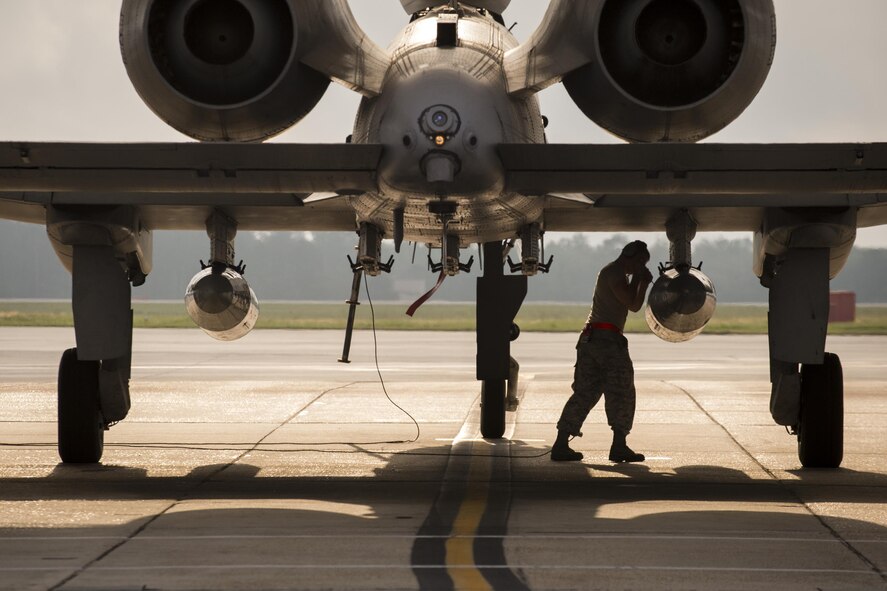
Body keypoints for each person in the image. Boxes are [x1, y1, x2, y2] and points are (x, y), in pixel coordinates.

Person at [552, 241, 654, 463]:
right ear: (630, 257)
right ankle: (619, 446)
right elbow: (633, 304)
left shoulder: (613, 273)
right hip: (605, 340)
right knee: (622, 391)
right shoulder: (614, 273)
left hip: (592, 339)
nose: (641, 267)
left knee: (585, 392)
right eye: (640, 262)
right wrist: (642, 281)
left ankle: (561, 444)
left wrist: (637, 278)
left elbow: (631, 302)